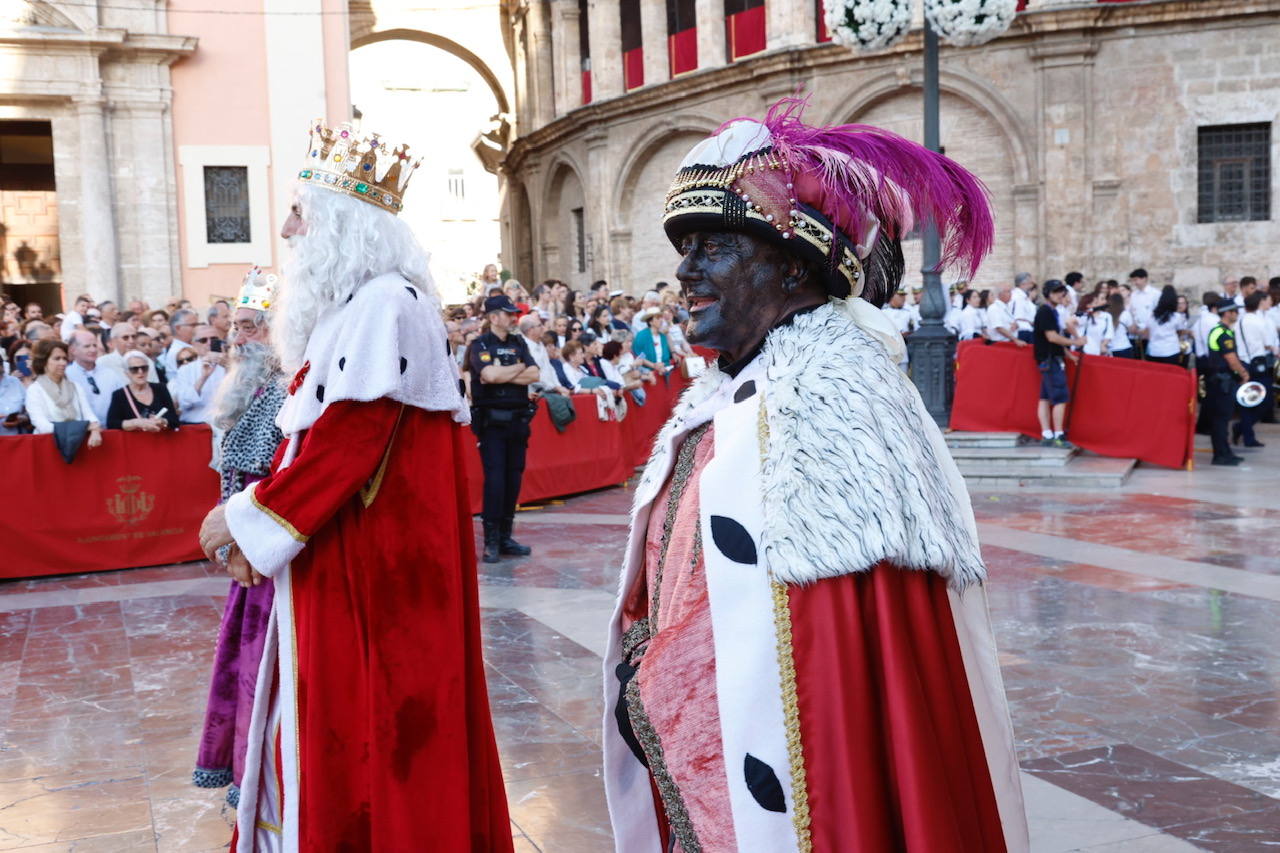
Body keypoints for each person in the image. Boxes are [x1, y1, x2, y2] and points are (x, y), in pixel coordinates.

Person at [603, 100, 1027, 853]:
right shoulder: (731, 398)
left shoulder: (834, 402)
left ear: (795, 266)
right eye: (685, 246)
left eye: (714, 246)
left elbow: (839, 676)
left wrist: (660, 678)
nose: (683, 270)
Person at [198, 120, 510, 852]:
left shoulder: (385, 306)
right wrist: (257, 523)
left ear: (344, 225)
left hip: (379, 579)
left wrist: (244, 520)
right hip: (340, 562)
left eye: (300, 214)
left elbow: (349, 445)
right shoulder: (354, 310)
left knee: (380, 745)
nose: (286, 229)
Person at [193, 267, 287, 809]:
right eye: (235, 327)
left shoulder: (281, 390)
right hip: (243, 548)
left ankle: (267, 778)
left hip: (269, 551)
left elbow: (269, 475)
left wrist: (243, 543)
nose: (238, 338)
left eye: (249, 327)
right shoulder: (241, 388)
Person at [469, 293, 540, 564]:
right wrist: (517, 370)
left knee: (513, 480)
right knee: (495, 481)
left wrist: (507, 371)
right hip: (492, 425)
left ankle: (507, 535)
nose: (513, 318)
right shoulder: (480, 344)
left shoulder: (518, 342)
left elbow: (534, 373)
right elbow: (487, 376)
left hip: (519, 420)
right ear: (493, 317)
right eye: (508, 314)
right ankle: (492, 541)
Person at [1034, 282, 1087, 448]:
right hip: (1050, 360)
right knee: (1060, 397)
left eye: (1062, 292)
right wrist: (1075, 341)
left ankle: (1047, 434)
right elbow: (1052, 337)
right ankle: (1058, 434)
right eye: (1056, 292)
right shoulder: (1046, 311)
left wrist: (1069, 354)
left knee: (1045, 398)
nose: (1060, 295)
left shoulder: (1051, 311)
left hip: (1050, 358)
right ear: (1048, 294)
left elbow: (1054, 339)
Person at [24, 338, 102, 444]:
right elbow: (42, 425)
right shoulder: (34, 390)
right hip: (47, 444)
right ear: (43, 362)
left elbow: (89, 416)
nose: (63, 362)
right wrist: (81, 428)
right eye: (57, 358)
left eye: (64, 358)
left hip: (77, 443)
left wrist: (95, 429)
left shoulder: (75, 387)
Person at [1203, 300, 1250, 466]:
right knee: (1221, 420)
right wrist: (1243, 373)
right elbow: (1231, 359)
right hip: (1222, 382)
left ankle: (1225, 452)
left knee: (1223, 419)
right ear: (1227, 313)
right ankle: (1220, 455)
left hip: (1222, 381)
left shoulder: (1222, 331)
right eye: (1234, 311)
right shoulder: (1222, 333)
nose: (1236, 313)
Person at [1234, 289, 1276, 448]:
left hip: (1244, 363)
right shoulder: (1259, 322)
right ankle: (1242, 429)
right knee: (1265, 400)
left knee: (1247, 400)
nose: (1269, 302)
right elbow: (1268, 343)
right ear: (1260, 302)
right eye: (1267, 300)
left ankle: (1246, 432)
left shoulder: (1240, 321)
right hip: (1258, 364)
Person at [106, 350, 179, 431]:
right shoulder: (119, 395)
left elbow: (174, 419)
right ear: (126, 373)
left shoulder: (161, 388)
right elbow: (112, 423)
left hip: (161, 440)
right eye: (134, 369)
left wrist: (162, 421)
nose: (140, 372)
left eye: (144, 368)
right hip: (136, 442)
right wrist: (136, 423)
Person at [65, 328, 124, 426]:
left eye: (95, 345)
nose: (93, 350)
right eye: (87, 346)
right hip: (82, 433)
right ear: (73, 350)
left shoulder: (110, 373)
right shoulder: (66, 375)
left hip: (111, 430)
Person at [172, 324, 227, 424]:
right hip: (197, 425)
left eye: (214, 339)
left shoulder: (231, 365)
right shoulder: (185, 370)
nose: (209, 343)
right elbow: (183, 403)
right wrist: (203, 378)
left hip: (225, 425)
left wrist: (228, 365)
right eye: (203, 340)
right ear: (193, 344)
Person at [1143, 285, 1186, 366]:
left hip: (1154, 351)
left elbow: (1146, 333)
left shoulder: (1152, 316)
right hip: (1171, 350)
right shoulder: (1176, 316)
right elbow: (1180, 332)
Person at [1106, 293, 1137, 358]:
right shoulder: (1125, 314)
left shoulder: (1105, 315)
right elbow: (1132, 330)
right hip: (1124, 346)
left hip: (1109, 348)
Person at [1011, 272, 1038, 343]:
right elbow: (1014, 314)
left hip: (1028, 329)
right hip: (1021, 330)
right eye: (1030, 283)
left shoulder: (1023, 296)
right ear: (1023, 284)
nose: (1031, 285)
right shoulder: (1016, 296)